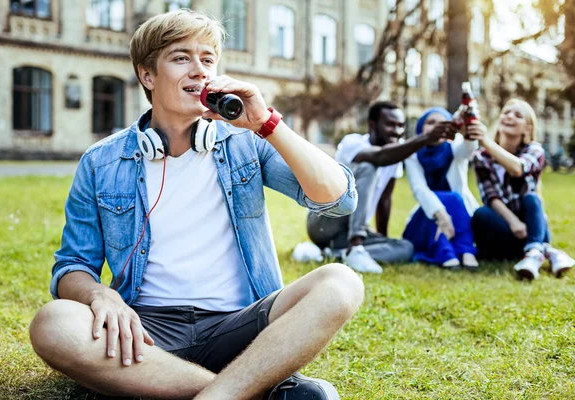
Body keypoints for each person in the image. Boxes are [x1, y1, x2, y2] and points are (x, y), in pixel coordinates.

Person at [28, 10, 364, 400]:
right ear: (147, 75)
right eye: (181, 57)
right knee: (52, 323)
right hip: (146, 334)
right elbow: (72, 267)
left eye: (207, 59)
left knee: (341, 282)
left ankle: (206, 392)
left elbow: (339, 199)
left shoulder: (245, 142)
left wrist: (267, 124)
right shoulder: (101, 161)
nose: (198, 70)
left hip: (241, 326)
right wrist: (102, 295)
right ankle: (254, 389)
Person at [307, 101, 455, 273]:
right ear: (372, 125)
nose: (397, 131)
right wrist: (426, 138)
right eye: (390, 125)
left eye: (401, 126)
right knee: (368, 167)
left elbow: (384, 200)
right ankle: (355, 247)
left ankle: (332, 254)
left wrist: (382, 239)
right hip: (324, 222)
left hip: (347, 234)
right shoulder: (352, 143)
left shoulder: (394, 159)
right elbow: (378, 157)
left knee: (406, 247)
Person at [469, 99, 575, 280]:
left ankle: (534, 252)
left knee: (532, 199)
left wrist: (485, 140)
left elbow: (518, 169)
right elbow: (490, 197)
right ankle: (546, 251)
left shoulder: (535, 151)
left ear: (527, 128)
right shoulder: (481, 158)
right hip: (504, 225)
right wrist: (513, 223)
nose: (509, 116)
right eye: (506, 112)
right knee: (481, 214)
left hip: (532, 224)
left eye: (518, 115)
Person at [402, 108, 479, 269]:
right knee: (449, 199)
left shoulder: (455, 148)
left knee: (454, 199)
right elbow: (420, 190)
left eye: (442, 123)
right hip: (427, 216)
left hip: (459, 216)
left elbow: (469, 149)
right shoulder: (413, 154)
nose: (437, 127)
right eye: (430, 123)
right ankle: (457, 250)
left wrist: (467, 129)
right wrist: (441, 213)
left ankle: (457, 251)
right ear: (421, 129)